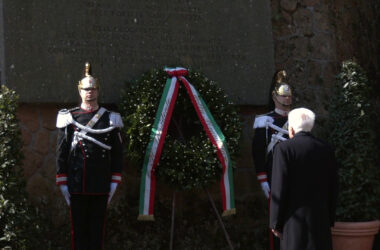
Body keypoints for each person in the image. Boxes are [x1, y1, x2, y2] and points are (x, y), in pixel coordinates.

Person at [56, 62, 124, 249]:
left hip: (101, 184)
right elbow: (61, 152)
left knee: (97, 230)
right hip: (77, 183)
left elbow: (117, 153)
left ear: (98, 91)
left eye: (93, 89)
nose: (90, 93)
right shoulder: (69, 117)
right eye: (86, 89)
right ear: (80, 91)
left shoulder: (110, 118)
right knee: (78, 231)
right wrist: (62, 180)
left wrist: (114, 180)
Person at [270, 108, 338, 250]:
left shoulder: (284, 149)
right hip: (320, 220)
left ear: (292, 128)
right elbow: (333, 187)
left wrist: (275, 222)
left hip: (293, 221)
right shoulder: (326, 149)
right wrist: (330, 218)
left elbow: (279, 188)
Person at [252, 70, 292, 250]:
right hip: (274, 175)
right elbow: (258, 152)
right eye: (283, 96)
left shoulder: (297, 118)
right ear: (275, 97)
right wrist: (262, 179)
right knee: (277, 222)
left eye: (289, 96)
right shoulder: (265, 121)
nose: (287, 99)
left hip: (296, 175)